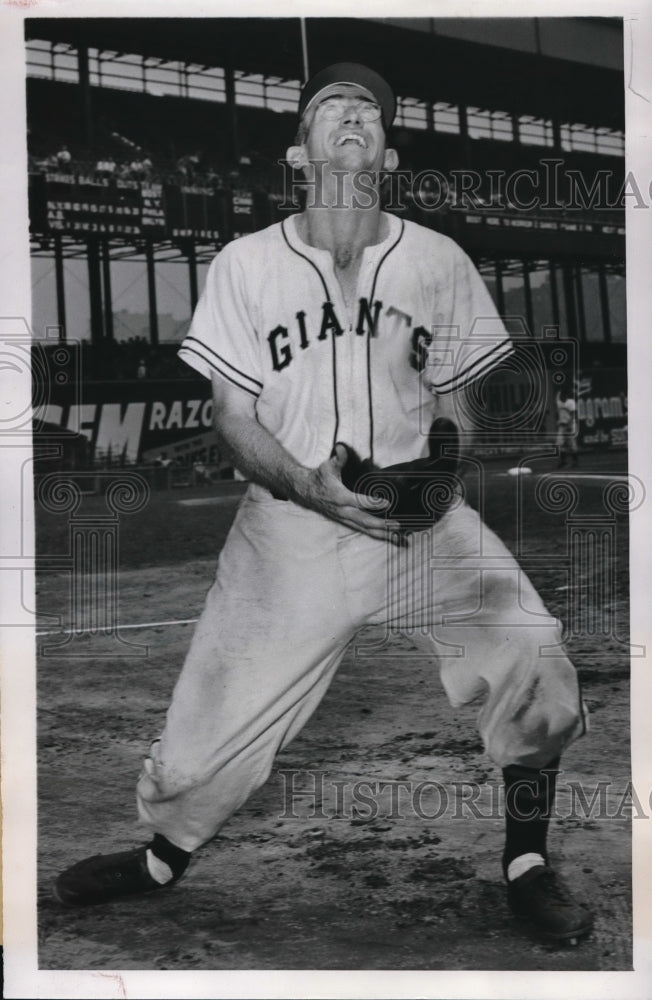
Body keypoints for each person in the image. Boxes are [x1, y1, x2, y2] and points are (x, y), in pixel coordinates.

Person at [55, 63, 592, 944]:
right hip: (289, 532)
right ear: (297, 152)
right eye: (330, 109)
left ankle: (528, 862)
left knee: (536, 659)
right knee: (196, 755)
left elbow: (457, 394)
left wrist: (449, 456)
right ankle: (162, 858)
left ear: (387, 152)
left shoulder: (439, 260)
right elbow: (231, 416)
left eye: (370, 114)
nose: (353, 117)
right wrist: (304, 482)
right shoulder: (245, 264)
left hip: (423, 526)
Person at [555, 383, 579, 468]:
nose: (561, 397)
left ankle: (575, 462)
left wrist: (570, 426)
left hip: (570, 425)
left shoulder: (571, 403)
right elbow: (558, 393)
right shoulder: (558, 400)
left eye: (563, 395)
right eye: (561, 395)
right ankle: (563, 462)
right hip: (562, 425)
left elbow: (573, 415)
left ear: (566, 395)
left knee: (572, 444)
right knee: (560, 443)